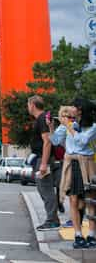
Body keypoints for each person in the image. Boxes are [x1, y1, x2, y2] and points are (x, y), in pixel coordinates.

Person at [50, 102, 96, 249]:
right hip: (72, 163)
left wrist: (68, 126)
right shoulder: (67, 124)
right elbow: (55, 141)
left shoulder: (92, 127)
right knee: (74, 200)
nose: (71, 109)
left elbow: (82, 141)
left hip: (87, 164)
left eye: (74, 106)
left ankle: (92, 235)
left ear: (80, 110)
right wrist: (51, 127)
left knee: (90, 201)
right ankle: (77, 234)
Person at [28, 95, 60, 231]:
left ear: (33, 105)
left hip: (44, 158)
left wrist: (44, 163)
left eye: (28, 105)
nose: (28, 108)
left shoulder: (41, 119)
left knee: (45, 189)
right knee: (43, 189)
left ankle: (52, 220)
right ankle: (54, 218)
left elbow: (47, 141)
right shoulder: (42, 119)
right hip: (42, 158)